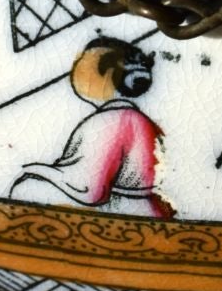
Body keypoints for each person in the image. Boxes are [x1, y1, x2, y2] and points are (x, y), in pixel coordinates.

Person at [9, 36, 173, 216]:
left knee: (26, 186)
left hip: (124, 212)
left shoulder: (110, 121)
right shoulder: (140, 120)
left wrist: (34, 170)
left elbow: (89, 190)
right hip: (152, 209)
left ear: (105, 75)